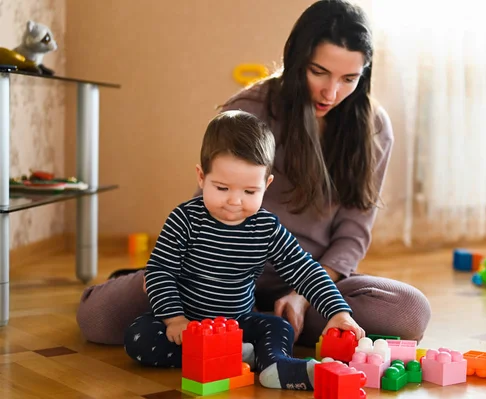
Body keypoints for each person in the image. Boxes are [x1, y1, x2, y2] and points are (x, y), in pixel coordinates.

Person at [76, 0, 431, 351]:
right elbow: (210, 206)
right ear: (295, 59)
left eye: (349, 78)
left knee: (408, 312)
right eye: (319, 72)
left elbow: (353, 235)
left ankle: (265, 324)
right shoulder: (250, 111)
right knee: (97, 319)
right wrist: (191, 298)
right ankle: (235, 317)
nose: (331, 92)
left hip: (303, 279)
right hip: (210, 277)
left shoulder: (373, 130)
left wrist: (303, 297)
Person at [124, 110, 364, 391]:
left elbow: (305, 270)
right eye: (222, 187)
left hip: (238, 325)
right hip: (188, 326)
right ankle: (232, 357)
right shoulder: (185, 219)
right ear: (201, 177)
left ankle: (274, 366)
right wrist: (175, 319)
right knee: (139, 337)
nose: (234, 201)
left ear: (267, 185)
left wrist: (338, 312)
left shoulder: (266, 227)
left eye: (250, 192)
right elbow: (159, 272)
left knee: (279, 327)